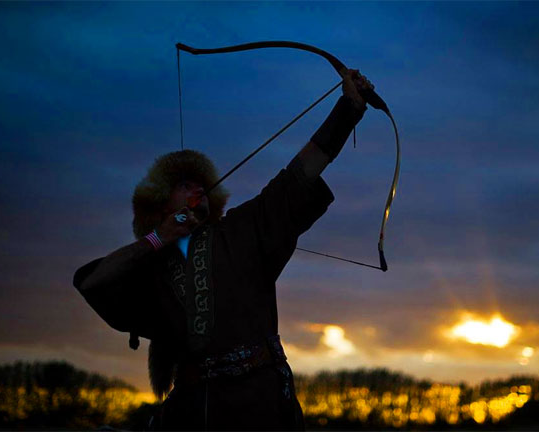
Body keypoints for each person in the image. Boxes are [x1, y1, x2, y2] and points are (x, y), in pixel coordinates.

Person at [73, 69, 374, 430]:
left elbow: (301, 172)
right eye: (185, 185)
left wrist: (348, 109)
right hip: (192, 413)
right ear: (161, 201)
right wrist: (158, 239)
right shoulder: (149, 268)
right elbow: (92, 282)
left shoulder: (240, 230)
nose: (198, 189)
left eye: (201, 185)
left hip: (261, 405)